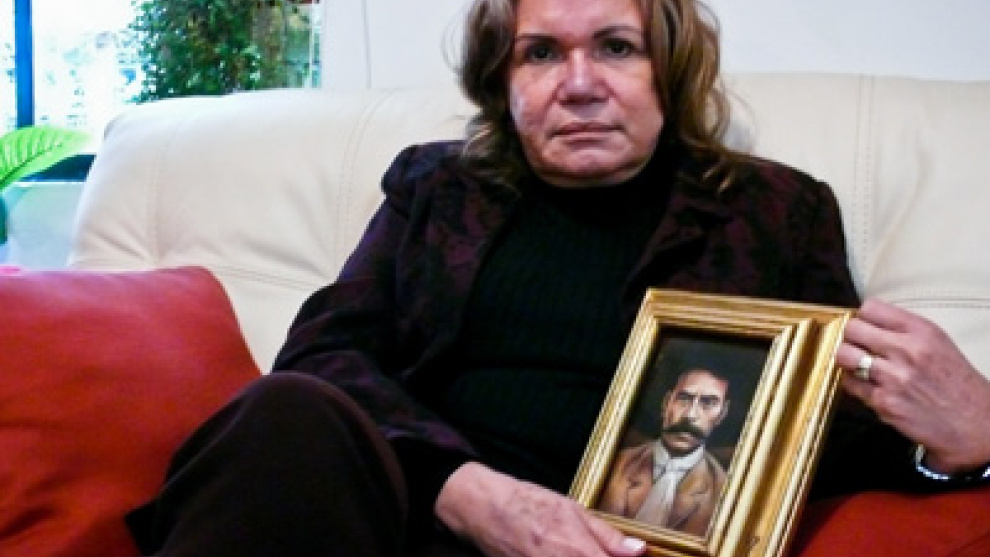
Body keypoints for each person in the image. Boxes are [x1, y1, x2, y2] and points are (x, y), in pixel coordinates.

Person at [125, 0, 990, 555]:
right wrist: (465, 492)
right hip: (412, 522)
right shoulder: (438, 189)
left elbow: (819, 430)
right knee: (283, 413)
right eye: (540, 53)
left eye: (616, 47)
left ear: (668, 73)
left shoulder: (775, 210)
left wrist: (966, 438)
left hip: (627, 545)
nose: (579, 85)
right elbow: (322, 355)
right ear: (503, 85)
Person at [599, 367, 731, 535]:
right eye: (684, 398)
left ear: (722, 414)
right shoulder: (612, 464)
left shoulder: (724, 493)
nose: (690, 415)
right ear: (666, 402)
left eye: (708, 403)